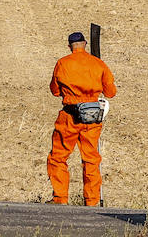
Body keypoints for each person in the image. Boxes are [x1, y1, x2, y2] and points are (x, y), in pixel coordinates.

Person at [46, 31, 117, 206]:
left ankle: (60, 199)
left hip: (69, 116)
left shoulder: (63, 63)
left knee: (58, 157)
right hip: (92, 119)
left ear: (70, 46)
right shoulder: (98, 64)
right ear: (85, 44)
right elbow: (111, 92)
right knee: (91, 159)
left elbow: (55, 91)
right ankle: (92, 201)